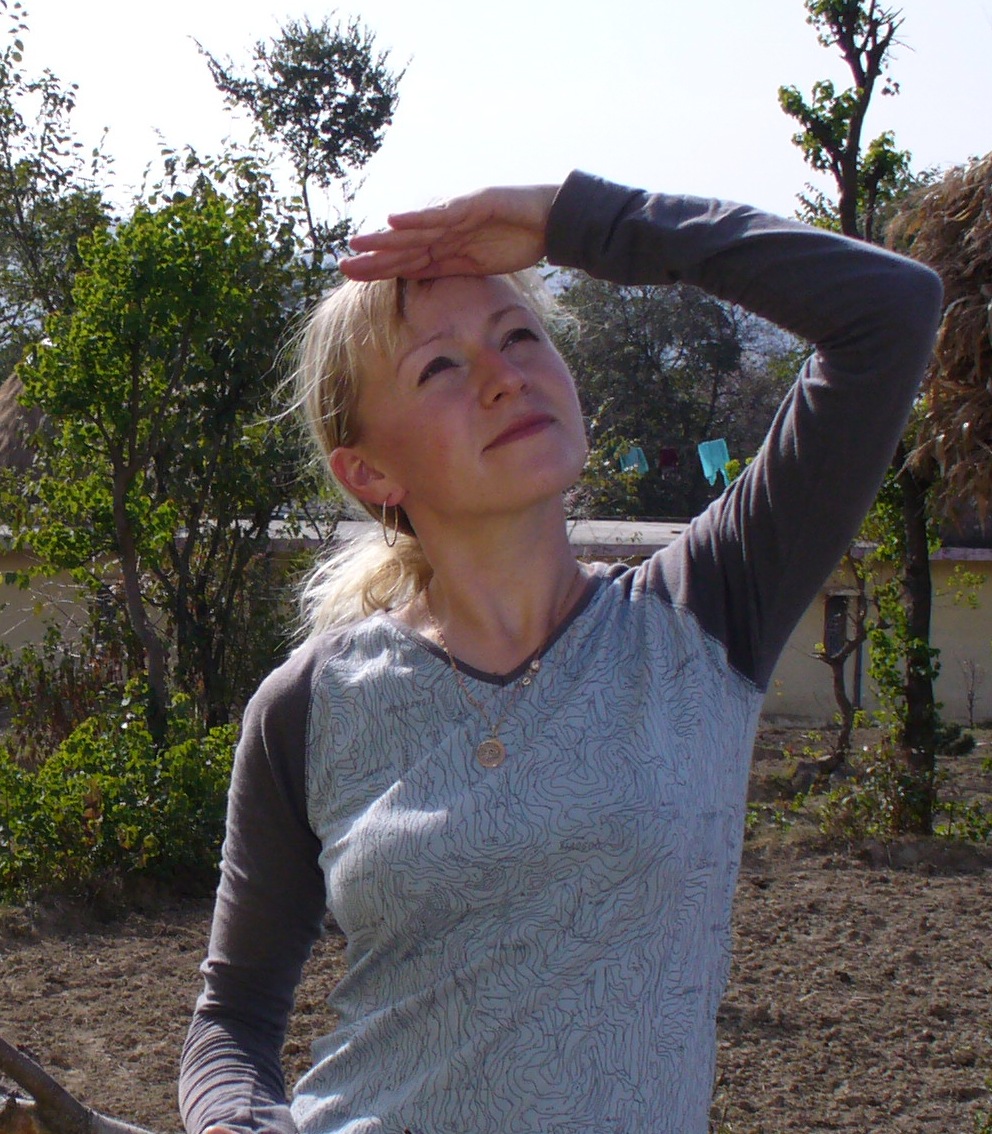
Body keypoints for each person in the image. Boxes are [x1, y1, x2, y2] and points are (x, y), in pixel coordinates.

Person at [179, 170, 942, 1134]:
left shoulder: (703, 616)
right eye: (440, 368)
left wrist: (572, 221)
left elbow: (890, 309)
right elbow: (234, 1019)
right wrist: (236, 1123)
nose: (504, 376)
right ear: (369, 471)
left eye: (519, 336)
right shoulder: (310, 706)